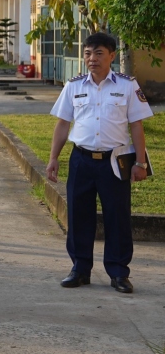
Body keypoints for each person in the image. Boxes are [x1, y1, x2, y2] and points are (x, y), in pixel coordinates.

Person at [47, 32, 152, 294]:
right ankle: (80, 269)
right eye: (87, 53)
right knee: (79, 215)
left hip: (114, 163)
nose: (92, 59)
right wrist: (53, 159)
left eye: (98, 53)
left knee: (117, 217)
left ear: (112, 56)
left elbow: (136, 126)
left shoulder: (127, 85)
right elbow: (62, 124)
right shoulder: (74, 86)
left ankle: (118, 273)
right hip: (81, 160)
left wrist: (141, 163)